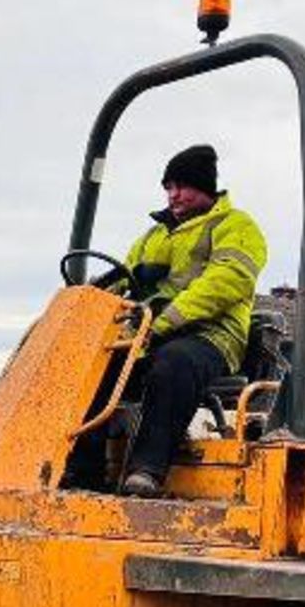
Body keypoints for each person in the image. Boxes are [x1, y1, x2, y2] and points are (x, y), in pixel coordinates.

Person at [78, 143, 268, 496]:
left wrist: (163, 322)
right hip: (148, 333)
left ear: (206, 187)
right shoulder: (153, 235)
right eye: (168, 187)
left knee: (173, 364)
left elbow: (226, 281)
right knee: (93, 365)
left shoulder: (236, 226)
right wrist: (89, 301)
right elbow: (122, 279)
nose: (173, 195)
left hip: (211, 337)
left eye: (182, 186)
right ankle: (79, 472)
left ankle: (146, 470)